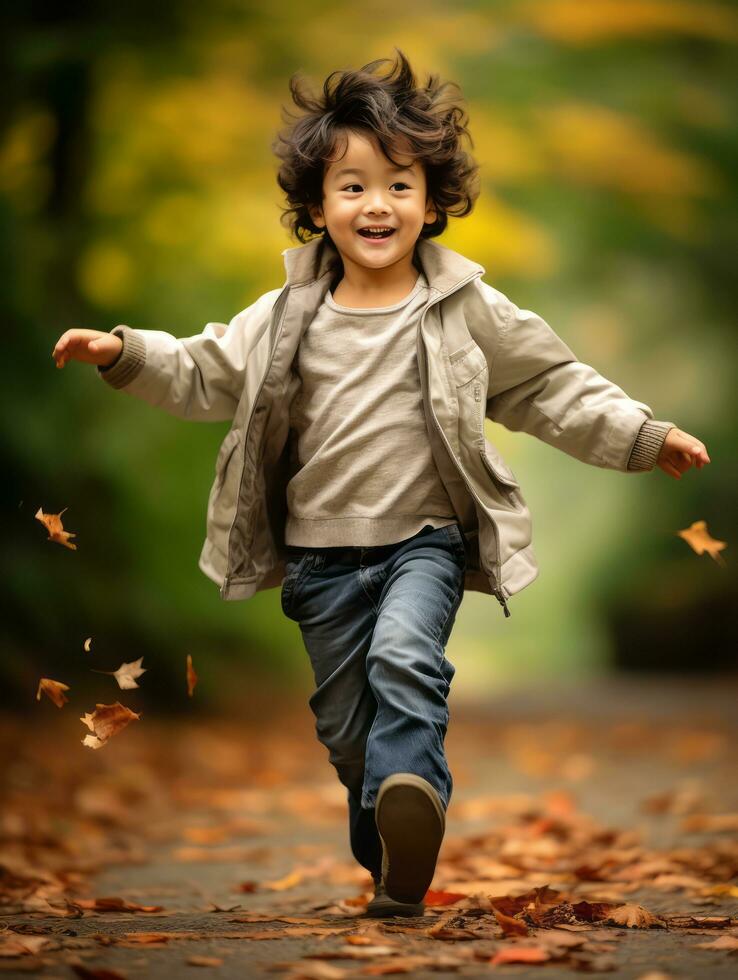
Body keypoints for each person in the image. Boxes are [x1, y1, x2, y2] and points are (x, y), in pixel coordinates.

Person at [51, 50, 711, 919]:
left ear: (432, 203)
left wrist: (640, 433)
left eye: (399, 185)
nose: (377, 204)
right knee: (349, 739)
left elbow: (551, 385)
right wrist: (125, 352)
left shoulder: (465, 306)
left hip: (422, 544)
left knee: (406, 661)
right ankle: (395, 854)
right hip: (320, 562)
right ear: (318, 207)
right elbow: (206, 369)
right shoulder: (287, 314)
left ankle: (414, 796)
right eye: (352, 186)